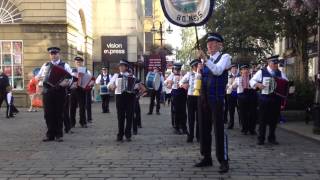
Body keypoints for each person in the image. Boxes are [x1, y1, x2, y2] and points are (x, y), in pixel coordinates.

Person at [195, 32, 231, 173]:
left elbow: (217, 71)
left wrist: (205, 60)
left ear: (219, 45)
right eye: (208, 43)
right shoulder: (205, 61)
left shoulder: (225, 57)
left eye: (213, 42)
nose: (209, 45)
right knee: (204, 128)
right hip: (204, 99)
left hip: (216, 99)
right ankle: (206, 157)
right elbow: (200, 79)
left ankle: (223, 160)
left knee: (219, 130)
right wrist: (200, 70)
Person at [250, 55, 288, 145]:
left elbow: (286, 83)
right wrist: (258, 85)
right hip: (264, 99)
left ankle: (272, 138)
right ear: (269, 63)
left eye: (276, 63)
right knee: (262, 119)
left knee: (273, 120)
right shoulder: (261, 72)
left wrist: (284, 84)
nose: (276, 65)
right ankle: (261, 138)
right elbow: (251, 81)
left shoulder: (280, 73)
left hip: (276, 100)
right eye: (274, 63)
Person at [36, 47, 72, 142]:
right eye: (52, 54)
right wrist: (39, 80)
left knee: (59, 113)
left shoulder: (65, 65)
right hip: (47, 92)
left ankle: (58, 134)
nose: (53, 55)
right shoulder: (45, 65)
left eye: (55, 53)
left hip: (59, 92)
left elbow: (71, 78)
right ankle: (50, 134)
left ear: (59, 54)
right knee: (48, 114)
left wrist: (66, 82)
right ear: (50, 55)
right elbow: (38, 76)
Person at [108, 59, 135, 142]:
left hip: (130, 97)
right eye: (120, 66)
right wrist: (112, 86)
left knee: (129, 116)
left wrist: (136, 88)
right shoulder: (116, 76)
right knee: (120, 116)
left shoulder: (132, 76)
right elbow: (109, 85)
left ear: (126, 67)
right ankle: (120, 134)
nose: (120, 67)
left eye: (122, 66)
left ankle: (128, 135)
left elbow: (136, 85)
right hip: (119, 97)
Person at [180, 59, 201, 143]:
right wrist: (183, 84)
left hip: (199, 98)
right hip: (191, 98)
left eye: (198, 65)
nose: (198, 67)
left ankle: (199, 136)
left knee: (199, 118)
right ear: (193, 67)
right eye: (197, 66)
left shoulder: (202, 74)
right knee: (191, 118)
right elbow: (181, 82)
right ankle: (191, 136)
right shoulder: (189, 74)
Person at [232, 65, 257, 135]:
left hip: (251, 95)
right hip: (242, 96)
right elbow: (233, 86)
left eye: (247, 69)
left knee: (252, 113)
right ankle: (244, 128)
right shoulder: (238, 78)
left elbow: (256, 87)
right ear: (241, 71)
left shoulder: (253, 78)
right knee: (243, 113)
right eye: (244, 69)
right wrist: (232, 85)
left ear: (249, 71)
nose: (245, 71)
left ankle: (252, 129)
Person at [165, 63, 188, 134]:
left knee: (183, 111)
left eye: (178, 69)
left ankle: (184, 127)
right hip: (175, 94)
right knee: (176, 111)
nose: (177, 71)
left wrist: (182, 77)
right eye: (176, 69)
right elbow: (166, 83)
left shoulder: (183, 75)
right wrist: (169, 83)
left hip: (183, 94)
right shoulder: (172, 75)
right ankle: (176, 127)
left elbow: (187, 83)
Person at [70, 56, 92, 128]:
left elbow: (90, 79)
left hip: (82, 90)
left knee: (82, 107)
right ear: (75, 63)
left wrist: (90, 83)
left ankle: (83, 122)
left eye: (79, 62)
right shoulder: (72, 70)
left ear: (82, 63)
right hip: (73, 90)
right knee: (72, 107)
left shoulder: (86, 70)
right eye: (77, 62)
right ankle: (72, 123)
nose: (78, 63)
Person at [225, 64, 238, 129]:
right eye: (233, 68)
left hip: (238, 93)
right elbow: (226, 85)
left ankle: (242, 123)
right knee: (231, 109)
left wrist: (230, 86)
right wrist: (232, 86)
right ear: (231, 69)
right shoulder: (228, 76)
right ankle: (231, 123)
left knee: (239, 109)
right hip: (230, 94)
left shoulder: (239, 76)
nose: (234, 69)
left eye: (235, 68)